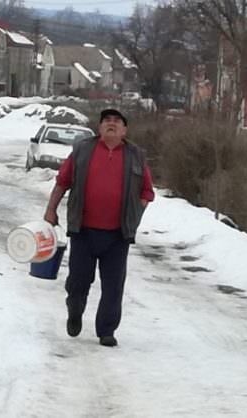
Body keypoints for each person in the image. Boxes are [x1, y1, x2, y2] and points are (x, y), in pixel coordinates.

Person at [44, 109, 155, 347]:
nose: (111, 124)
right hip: (84, 231)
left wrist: (136, 211)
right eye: (107, 121)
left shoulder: (136, 156)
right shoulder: (83, 150)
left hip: (117, 234)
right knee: (78, 282)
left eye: (117, 122)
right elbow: (63, 182)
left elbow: (147, 190)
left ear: (125, 131)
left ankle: (106, 330)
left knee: (113, 286)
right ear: (99, 128)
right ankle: (75, 311)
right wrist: (51, 209)